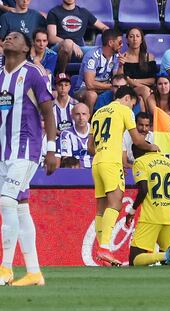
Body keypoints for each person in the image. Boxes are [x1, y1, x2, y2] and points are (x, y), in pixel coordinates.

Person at [0, 31, 57, 286]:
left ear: (25, 48)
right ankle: (34, 272)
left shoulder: (33, 73)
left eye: (15, 37)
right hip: (4, 153)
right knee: (21, 207)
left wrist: (53, 149)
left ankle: (6, 268)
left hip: (27, 150)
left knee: (6, 200)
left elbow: (48, 111)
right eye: (6, 36)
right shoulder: (0, 76)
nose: (8, 38)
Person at [87, 85, 159, 266]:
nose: (132, 108)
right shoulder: (123, 110)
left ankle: (102, 251)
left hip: (97, 162)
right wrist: (151, 146)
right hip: (111, 162)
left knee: (101, 208)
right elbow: (136, 140)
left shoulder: (97, 113)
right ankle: (104, 248)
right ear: (127, 98)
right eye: (132, 104)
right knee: (116, 203)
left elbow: (90, 147)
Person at [46, 0, 109, 73]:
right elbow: (51, 37)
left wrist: (109, 38)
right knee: (68, 43)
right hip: (59, 50)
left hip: (80, 50)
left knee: (102, 51)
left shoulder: (84, 12)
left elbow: (104, 28)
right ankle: (61, 75)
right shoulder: (54, 12)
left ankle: (101, 80)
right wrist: (72, 44)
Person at [74, 29, 123, 113]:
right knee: (92, 95)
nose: (121, 45)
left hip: (104, 87)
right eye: (119, 42)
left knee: (121, 91)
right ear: (110, 43)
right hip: (83, 89)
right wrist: (112, 86)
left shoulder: (116, 56)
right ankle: (89, 123)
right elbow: (89, 84)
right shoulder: (92, 56)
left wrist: (121, 66)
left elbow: (117, 80)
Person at [117, 27, 157, 109]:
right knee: (145, 90)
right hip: (129, 90)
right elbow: (121, 79)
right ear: (127, 40)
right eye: (131, 36)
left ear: (141, 40)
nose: (135, 39)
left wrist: (134, 81)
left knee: (142, 99)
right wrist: (121, 65)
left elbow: (153, 80)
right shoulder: (123, 57)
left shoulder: (149, 57)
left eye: (138, 36)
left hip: (147, 89)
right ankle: (153, 118)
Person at [60, 103, 93, 169]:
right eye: (77, 114)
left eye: (84, 114)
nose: (81, 117)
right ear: (72, 116)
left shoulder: (95, 131)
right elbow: (66, 160)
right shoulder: (66, 134)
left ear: (89, 116)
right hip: (76, 173)